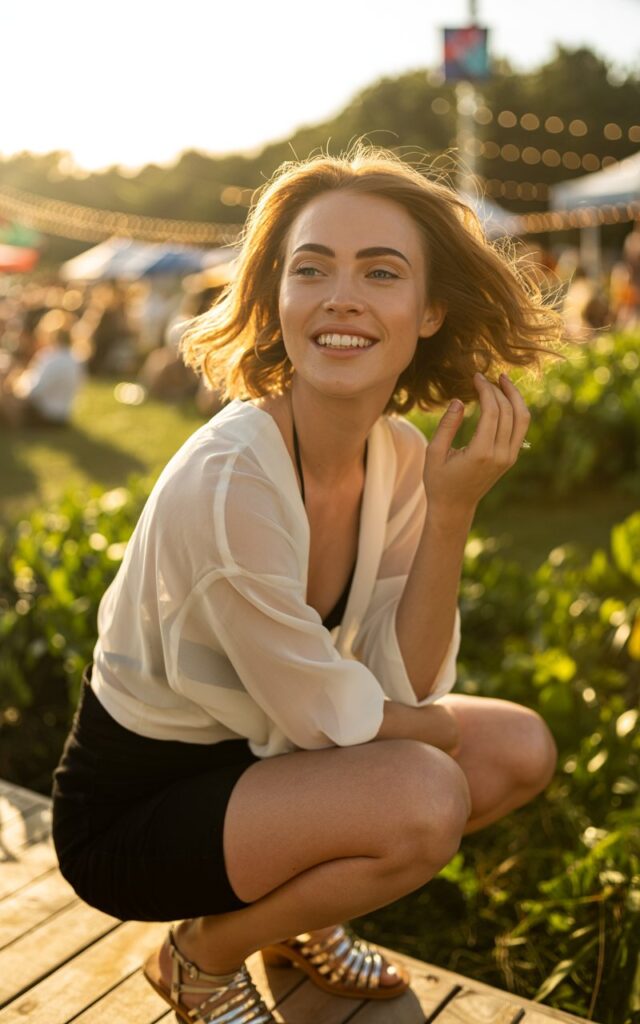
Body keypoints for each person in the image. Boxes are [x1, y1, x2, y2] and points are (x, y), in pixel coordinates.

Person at [51, 146, 563, 1024]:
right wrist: (432, 731)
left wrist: (448, 513)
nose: (341, 295)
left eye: (381, 271)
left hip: (277, 762)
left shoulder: (399, 456)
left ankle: (297, 922)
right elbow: (342, 721)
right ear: (277, 297)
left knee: (517, 749)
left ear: (430, 308)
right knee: (426, 791)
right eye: (311, 268)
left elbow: (399, 685)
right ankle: (201, 959)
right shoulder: (231, 481)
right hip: (139, 812)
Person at [0, 308, 85, 428]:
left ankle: (13, 428)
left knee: (5, 395)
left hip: (44, 415)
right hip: (63, 415)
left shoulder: (49, 357)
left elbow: (33, 392)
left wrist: (17, 383)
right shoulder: (76, 358)